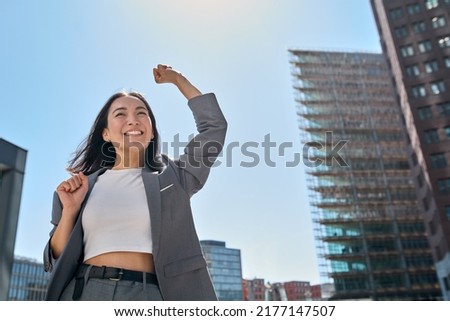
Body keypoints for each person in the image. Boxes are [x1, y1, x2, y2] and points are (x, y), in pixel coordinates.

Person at [43, 64, 227, 301]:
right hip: (84, 291)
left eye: (142, 113)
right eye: (120, 114)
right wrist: (69, 211)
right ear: (106, 133)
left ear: (151, 132)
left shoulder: (175, 177)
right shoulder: (81, 187)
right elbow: (56, 256)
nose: (133, 120)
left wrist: (178, 80)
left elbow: (214, 128)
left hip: (148, 294)